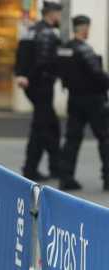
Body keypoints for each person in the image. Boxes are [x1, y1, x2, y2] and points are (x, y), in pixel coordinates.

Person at [57, 15, 109, 190]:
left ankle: (66, 177)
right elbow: (98, 75)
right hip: (94, 100)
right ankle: (108, 178)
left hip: (74, 99)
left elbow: (61, 73)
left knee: (72, 139)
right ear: (84, 28)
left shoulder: (65, 49)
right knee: (105, 137)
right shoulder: (85, 50)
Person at [15, 1, 63, 182]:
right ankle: (30, 169)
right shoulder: (47, 33)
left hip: (33, 85)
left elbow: (21, 52)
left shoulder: (32, 30)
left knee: (51, 126)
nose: (59, 17)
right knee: (41, 127)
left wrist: (20, 74)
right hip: (42, 85)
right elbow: (44, 61)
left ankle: (55, 166)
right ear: (51, 14)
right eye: (58, 14)